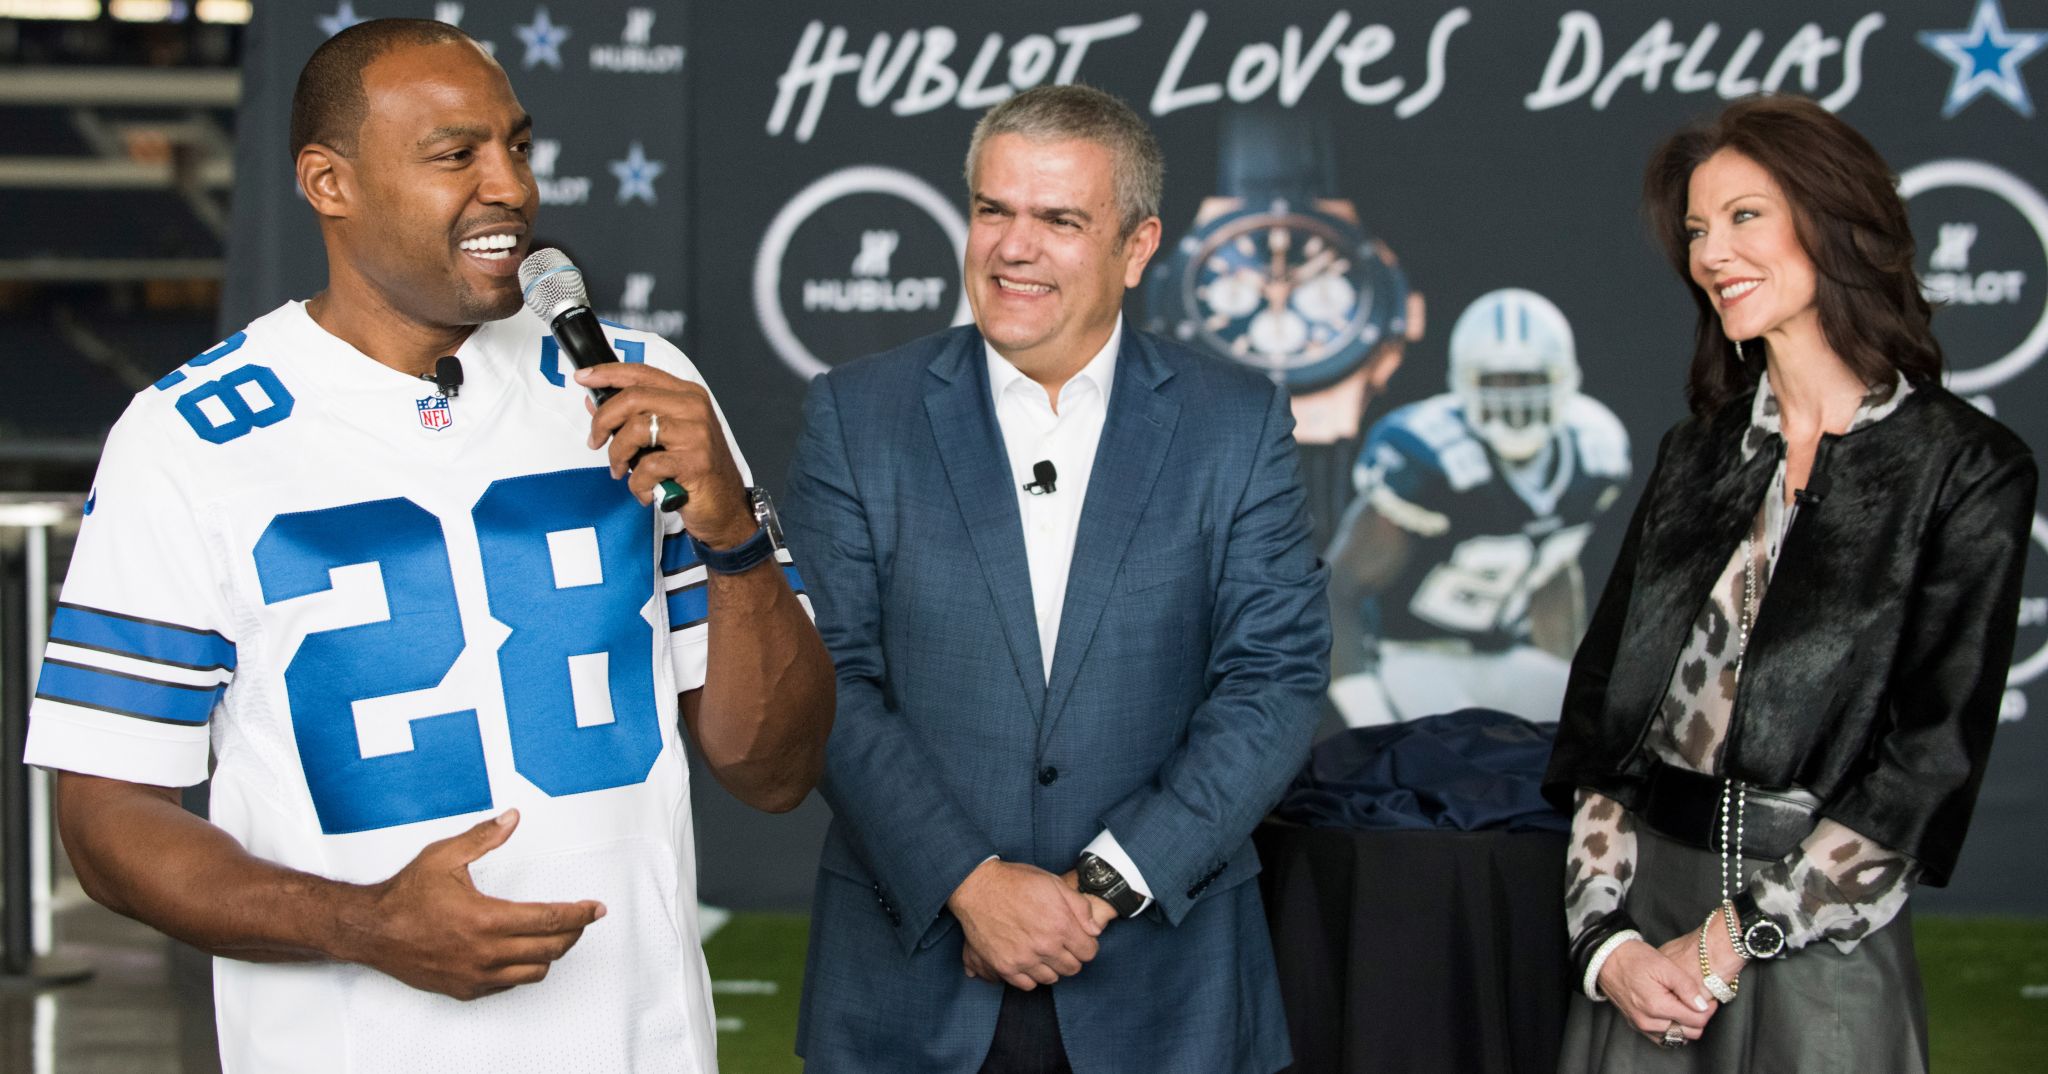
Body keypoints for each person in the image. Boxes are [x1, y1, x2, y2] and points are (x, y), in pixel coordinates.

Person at [24, 20, 832, 1073]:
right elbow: (106, 816)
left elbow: (774, 771)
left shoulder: (638, 383)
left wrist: (732, 539)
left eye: (518, 147)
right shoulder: (186, 437)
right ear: (329, 182)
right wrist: (360, 923)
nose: (511, 187)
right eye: (457, 155)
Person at [784, 84, 1329, 1073]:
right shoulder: (857, 417)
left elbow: (1272, 683)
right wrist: (970, 883)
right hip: (909, 990)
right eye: (993, 210)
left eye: (1057, 220)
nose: (1011, 247)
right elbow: (827, 681)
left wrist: (1103, 884)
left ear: (1135, 246)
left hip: (1167, 991)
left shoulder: (1233, 424)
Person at [1544, 94, 2035, 1070]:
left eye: (1741, 216)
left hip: (1818, 943)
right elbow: (1607, 724)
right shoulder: (1694, 455)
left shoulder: (1965, 468)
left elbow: (1922, 767)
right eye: (1693, 229)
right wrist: (1608, 944)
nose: (1709, 252)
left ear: (1834, 220)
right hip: (1644, 948)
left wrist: (1728, 944)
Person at [1326, 287, 1631, 727]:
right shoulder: (1428, 458)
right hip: (1413, 658)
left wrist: (1568, 676)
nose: (1515, 400)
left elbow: (1553, 574)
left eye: (1529, 379)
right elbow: (1337, 590)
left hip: (1506, 657)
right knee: (1468, 769)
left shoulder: (1595, 451)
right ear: (1463, 382)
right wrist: (1367, 714)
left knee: (1603, 736)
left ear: (1564, 378)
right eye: (1497, 381)